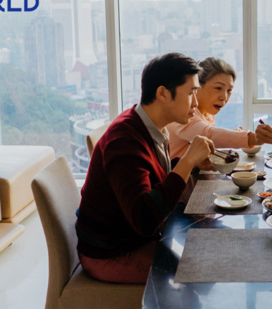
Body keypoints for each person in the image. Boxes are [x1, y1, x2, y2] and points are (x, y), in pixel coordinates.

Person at [75, 52, 215, 285]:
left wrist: (187, 166)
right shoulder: (125, 141)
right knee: (202, 269)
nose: (196, 104)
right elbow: (145, 220)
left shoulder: (150, 126)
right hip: (111, 252)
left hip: (130, 238)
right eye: (191, 93)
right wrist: (188, 162)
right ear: (162, 93)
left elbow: (154, 184)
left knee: (209, 241)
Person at [168, 57, 272, 159]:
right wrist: (254, 138)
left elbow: (208, 139)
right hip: (174, 177)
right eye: (218, 88)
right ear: (198, 86)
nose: (224, 97)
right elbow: (208, 134)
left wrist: (235, 134)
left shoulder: (207, 112)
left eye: (229, 90)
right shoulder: (183, 112)